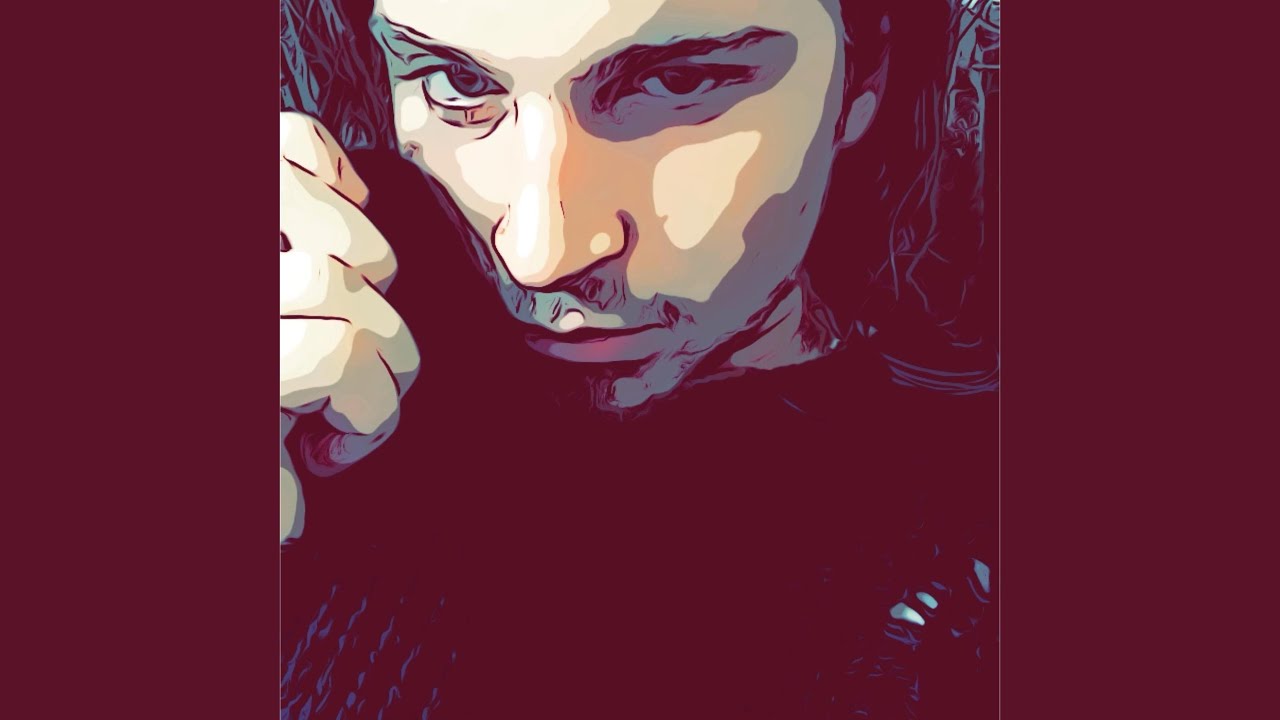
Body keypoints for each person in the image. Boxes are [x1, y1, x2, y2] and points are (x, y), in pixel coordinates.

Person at [279, 1, 1000, 717]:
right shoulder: (317, 346)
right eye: (457, 83)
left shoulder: (974, 516)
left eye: (680, 81)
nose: (540, 257)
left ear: (864, 77)